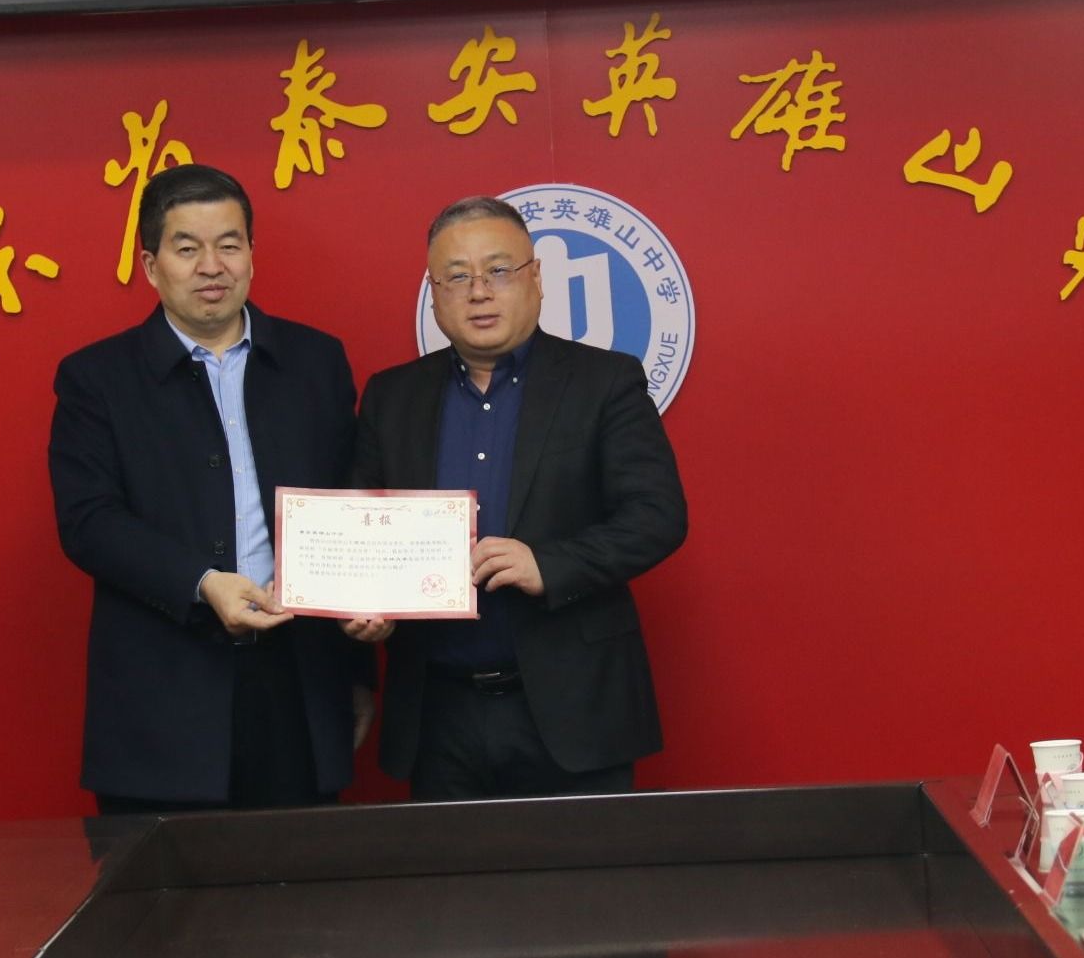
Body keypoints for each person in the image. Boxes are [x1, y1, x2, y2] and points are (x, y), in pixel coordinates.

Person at [49, 163, 372, 813]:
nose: (211, 266)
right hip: (162, 694)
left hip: (297, 682)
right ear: (151, 265)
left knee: (297, 873)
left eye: (229, 244)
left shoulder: (315, 362)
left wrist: (363, 662)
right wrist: (203, 582)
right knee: (168, 879)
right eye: (187, 248)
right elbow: (89, 521)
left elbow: (353, 504)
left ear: (251, 254)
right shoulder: (98, 379)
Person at [344, 195, 688, 800]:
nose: (479, 292)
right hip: (437, 712)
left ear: (536, 278)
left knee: (582, 865)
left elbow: (657, 516)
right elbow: (359, 527)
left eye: (499, 270)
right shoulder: (391, 397)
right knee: (449, 865)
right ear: (434, 293)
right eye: (457, 277)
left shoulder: (604, 381)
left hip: (572, 705)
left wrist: (546, 564)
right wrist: (364, 602)